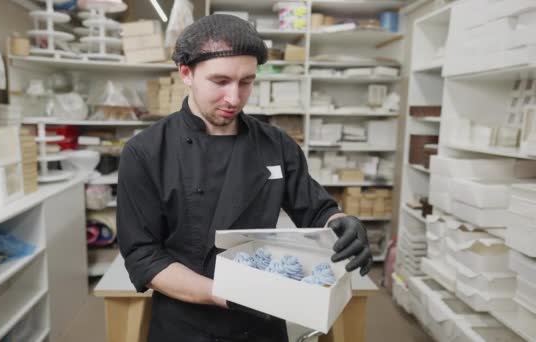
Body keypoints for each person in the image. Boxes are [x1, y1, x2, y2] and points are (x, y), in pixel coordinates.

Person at [117, 14, 372, 342]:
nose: (234, 99)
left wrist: (343, 221)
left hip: (262, 325)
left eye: (246, 82)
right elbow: (143, 256)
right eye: (220, 81)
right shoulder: (146, 152)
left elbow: (316, 209)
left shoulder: (275, 144)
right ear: (186, 73)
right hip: (185, 325)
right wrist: (228, 294)